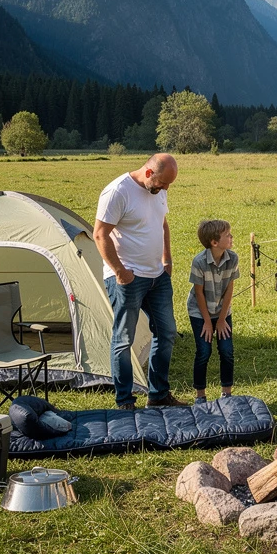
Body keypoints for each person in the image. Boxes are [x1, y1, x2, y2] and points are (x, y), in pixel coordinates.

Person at [93, 153, 186, 410]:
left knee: (166, 332)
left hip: (158, 276)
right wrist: (120, 271)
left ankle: (158, 396)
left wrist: (167, 260)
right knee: (124, 339)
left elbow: (162, 224)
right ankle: (124, 401)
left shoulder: (158, 190)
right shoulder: (117, 192)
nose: (165, 189)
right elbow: (100, 235)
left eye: (169, 184)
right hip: (128, 279)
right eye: (163, 183)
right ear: (148, 173)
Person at [187, 219, 240, 403]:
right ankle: (200, 395)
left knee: (226, 350)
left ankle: (226, 393)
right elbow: (199, 293)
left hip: (222, 311)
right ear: (214, 242)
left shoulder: (232, 258)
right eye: (227, 235)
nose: (232, 237)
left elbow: (230, 289)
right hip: (199, 312)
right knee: (204, 351)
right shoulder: (199, 262)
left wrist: (222, 318)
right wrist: (208, 322)